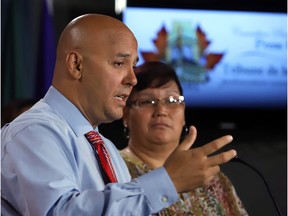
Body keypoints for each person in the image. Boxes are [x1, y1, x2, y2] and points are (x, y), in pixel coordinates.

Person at [1, 14, 237, 215]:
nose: (133, 79)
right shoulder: (33, 132)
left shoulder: (107, 150)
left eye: (133, 66)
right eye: (119, 64)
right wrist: (169, 181)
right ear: (76, 65)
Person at [120, 61, 248, 215]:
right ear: (126, 115)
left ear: (184, 114)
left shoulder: (208, 176)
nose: (161, 111)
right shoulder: (114, 169)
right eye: (148, 101)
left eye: (172, 100)